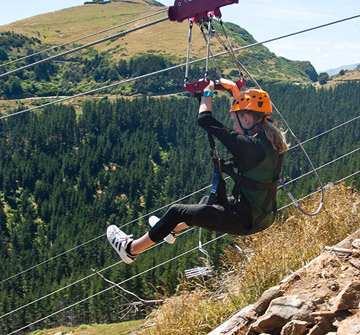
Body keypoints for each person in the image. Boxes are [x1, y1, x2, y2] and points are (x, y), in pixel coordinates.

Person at [107, 80, 289, 264]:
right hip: (263, 215)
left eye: (235, 122)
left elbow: (205, 120)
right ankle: (171, 229)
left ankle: (130, 249)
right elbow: (244, 118)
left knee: (177, 211)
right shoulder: (271, 139)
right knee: (207, 203)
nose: (234, 127)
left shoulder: (248, 146)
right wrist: (234, 90)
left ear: (247, 119)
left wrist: (207, 93)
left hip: (245, 220)